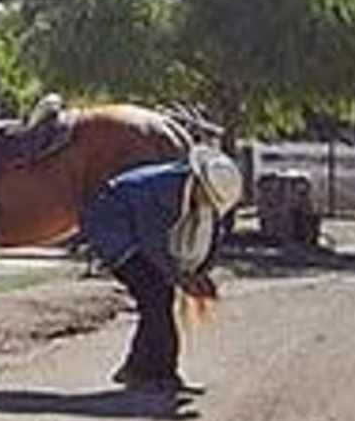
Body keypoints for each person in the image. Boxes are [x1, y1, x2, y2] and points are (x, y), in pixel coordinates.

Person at [79, 145, 241, 395]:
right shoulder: (160, 193)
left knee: (157, 299)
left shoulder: (199, 195)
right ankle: (160, 373)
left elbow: (212, 236)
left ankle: (139, 368)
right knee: (156, 295)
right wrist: (181, 278)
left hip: (140, 232)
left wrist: (201, 272)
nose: (208, 203)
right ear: (198, 183)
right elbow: (153, 243)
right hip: (114, 227)